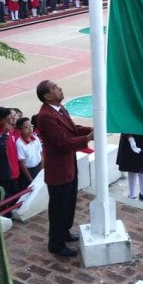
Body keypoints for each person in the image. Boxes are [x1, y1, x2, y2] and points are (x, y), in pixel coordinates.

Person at [35, 80, 93, 257]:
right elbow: (63, 142)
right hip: (58, 170)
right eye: (54, 88)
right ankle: (56, 244)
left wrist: (90, 129)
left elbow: (72, 129)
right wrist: (88, 137)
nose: (60, 89)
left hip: (68, 166)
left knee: (68, 204)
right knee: (59, 208)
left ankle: (65, 233)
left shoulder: (60, 109)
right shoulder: (45, 116)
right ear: (47, 96)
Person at [116, 134, 143, 205]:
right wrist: (130, 138)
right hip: (131, 136)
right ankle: (132, 195)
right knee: (132, 166)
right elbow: (123, 124)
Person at [15, 117, 43, 191]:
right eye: (26, 127)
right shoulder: (19, 144)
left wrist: (41, 170)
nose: (30, 129)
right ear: (20, 130)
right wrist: (31, 180)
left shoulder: (36, 138)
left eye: (31, 126)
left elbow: (41, 154)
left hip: (39, 167)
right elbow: (22, 165)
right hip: (29, 171)